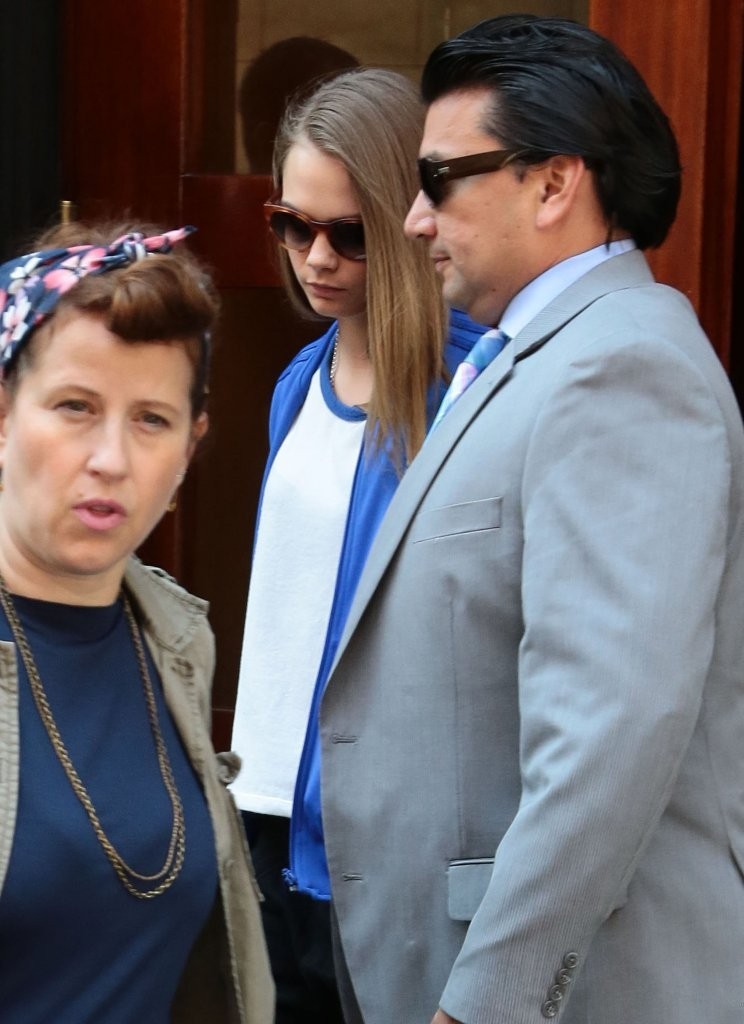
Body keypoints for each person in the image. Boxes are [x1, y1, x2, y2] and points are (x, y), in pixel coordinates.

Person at [317, 15, 744, 1024]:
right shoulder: (539, 353)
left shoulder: (621, 367)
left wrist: (489, 1002)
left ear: (554, 184)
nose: (414, 220)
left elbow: (610, 729)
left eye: (440, 180)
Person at [229, 68, 482, 1022]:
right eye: (292, 226)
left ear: (409, 220)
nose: (316, 258)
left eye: (349, 233)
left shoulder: (470, 387)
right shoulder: (298, 383)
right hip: (265, 820)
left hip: (383, 844)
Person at [0, 222, 273, 1023]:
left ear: (190, 448)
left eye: (151, 419)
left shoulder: (176, 639)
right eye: (75, 407)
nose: (111, 459)